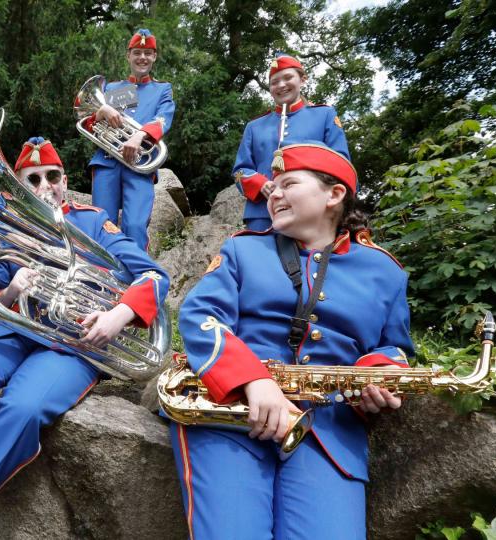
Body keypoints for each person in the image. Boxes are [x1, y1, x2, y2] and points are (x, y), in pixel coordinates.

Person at [0, 138, 170, 540]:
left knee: (22, 409)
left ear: (65, 181)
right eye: (34, 178)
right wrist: (11, 291)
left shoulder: (94, 221)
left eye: (53, 176)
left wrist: (118, 315)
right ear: (21, 186)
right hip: (14, 334)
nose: (46, 185)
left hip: (70, 345)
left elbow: (153, 276)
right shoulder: (11, 229)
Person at [171, 142, 413, 539]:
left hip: (330, 432)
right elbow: (201, 316)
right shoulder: (241, 248)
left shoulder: (386, 272)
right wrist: (253, 378)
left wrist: (380, 374)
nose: (273, 193)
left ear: (334, 195)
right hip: (230, 414)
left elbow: (395, 346)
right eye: (273, 185)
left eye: (288, 184)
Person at [233, 52, 350, 231]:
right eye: (274, 82)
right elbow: (240, 170)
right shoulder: (254, 126)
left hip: (314, 212)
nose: (281, 85)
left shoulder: (324, 115)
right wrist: (260, 184)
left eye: (288, 77)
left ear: (302, 79)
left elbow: (341, 163)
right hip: (263, 214)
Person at [83, 28, 175, 251]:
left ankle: (136, 280)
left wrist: (139, 136)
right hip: (107, 161)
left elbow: (164, 118)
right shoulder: (114, 88)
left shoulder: (162, 89)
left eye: (147, 53)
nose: (142, 57)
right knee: (102, 225)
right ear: (128, 56)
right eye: (137, 52)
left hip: (139, 164)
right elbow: (88, 123)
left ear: (154, 57)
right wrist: (101, 111)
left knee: (135, 226)